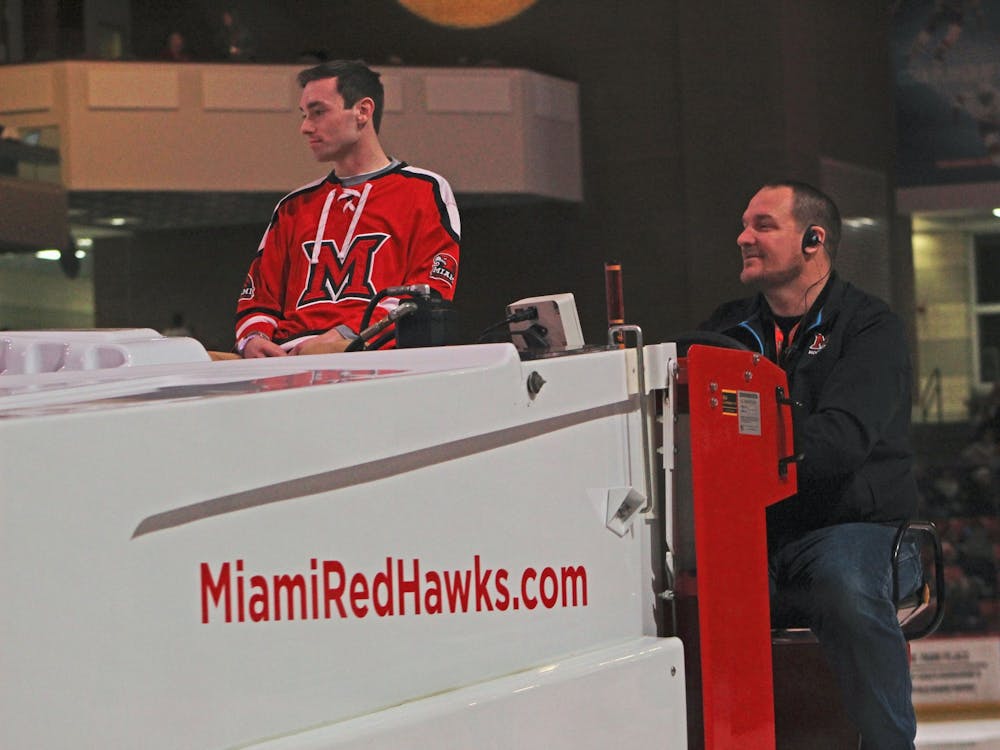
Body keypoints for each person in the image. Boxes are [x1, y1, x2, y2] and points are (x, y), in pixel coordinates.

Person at [700, 180, 921, 749]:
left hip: (860, 533)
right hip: (758, 537)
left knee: (841, 581)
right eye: (744, 224)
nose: (743, 237)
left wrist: (738, 459)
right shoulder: (723, 331)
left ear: (814, 239)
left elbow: (839, 442)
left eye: (763, 225)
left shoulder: (871, 327)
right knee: (677, 589)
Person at [234, 59, 460, 357]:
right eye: (304, 115)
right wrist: (253, 339)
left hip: (373, 361)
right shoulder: (292, 207)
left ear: (363, 111)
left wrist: (344, 337)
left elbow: (426, 293)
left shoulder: (424, 190)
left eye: (318, 112)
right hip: (285, 367)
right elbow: (258, 297)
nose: (305, 127)